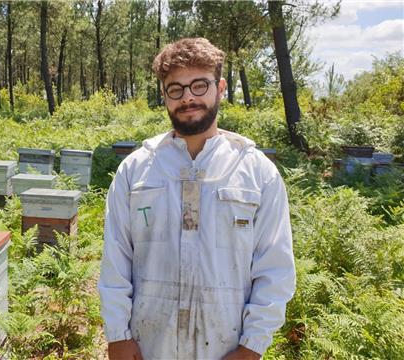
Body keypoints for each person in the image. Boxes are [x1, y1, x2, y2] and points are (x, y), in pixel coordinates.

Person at [98, 37, 296, 360]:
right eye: (175, 89)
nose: (187, 97)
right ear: (164, 97)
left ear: (220, 88)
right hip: (149, 347)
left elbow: (275, 269)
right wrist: (117, 335)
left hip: (225, 349)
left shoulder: (258, 174)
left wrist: (252, 346)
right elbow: (115, 259)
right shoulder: (135, 171)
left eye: (199, 85)